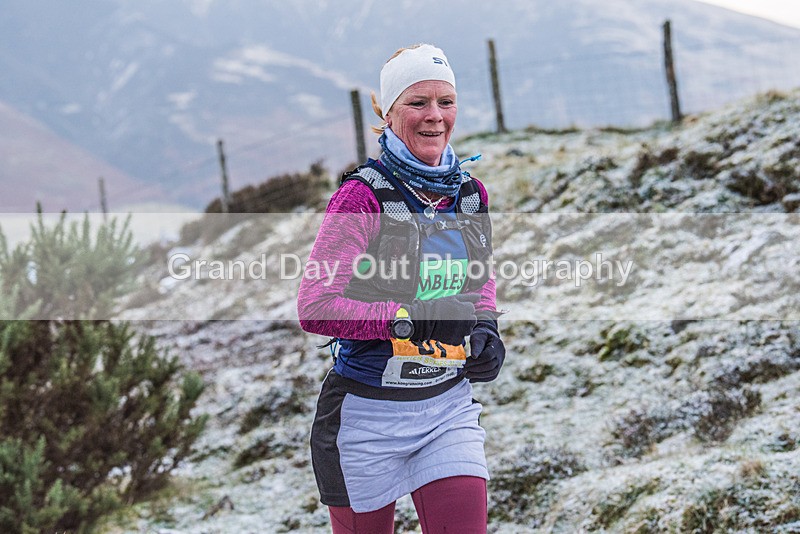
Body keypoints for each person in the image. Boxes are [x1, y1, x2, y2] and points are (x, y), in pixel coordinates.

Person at [297, 43, 505, 534]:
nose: (435, 116)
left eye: (445, 102)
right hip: (364, 420)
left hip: (446, 409)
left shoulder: (469, 193)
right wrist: (404, 317)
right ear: (388, 113)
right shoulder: (362, 195)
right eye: (418, 103)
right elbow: (315, 305)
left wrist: (487, 327)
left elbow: (481, 278)